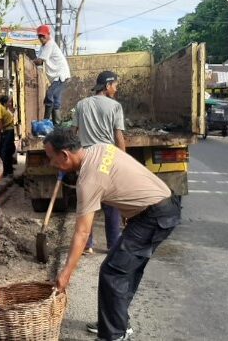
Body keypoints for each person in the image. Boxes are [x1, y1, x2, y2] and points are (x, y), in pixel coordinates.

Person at [44, 128, 180, 341]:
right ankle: (116, 322)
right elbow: (122, 174)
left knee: (113, 272)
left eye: (51, 158)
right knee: (122, 269)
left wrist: (65, 274)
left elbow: (82, 232)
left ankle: (115, 334)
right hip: (160, 205)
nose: (51, 163)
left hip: (155, 216)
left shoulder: (88, 181)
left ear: (65, 155)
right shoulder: (101, 148)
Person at [74, 70, 127, 255]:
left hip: (87, 158)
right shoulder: (114, 106)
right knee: (111, 203)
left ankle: (86, 244)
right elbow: (118, 136)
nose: (116, 88)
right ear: (107, 85)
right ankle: (113, 244)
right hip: (107, 158)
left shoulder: (81, 105)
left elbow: (74, 131)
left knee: (87, 202)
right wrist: (124, 161)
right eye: (115, 85)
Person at [33, 25, 71, 125]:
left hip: (60, 75)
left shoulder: (49, 44)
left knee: (50, 95)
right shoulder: (44, 46)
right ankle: (56, 125)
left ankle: (46, 121)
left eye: (43, 36)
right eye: (39, 36)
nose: (41, 38)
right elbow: (40, 63)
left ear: (48, 35)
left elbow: (40, 61)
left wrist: (29, 61)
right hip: (58, 76)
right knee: (55, 98)